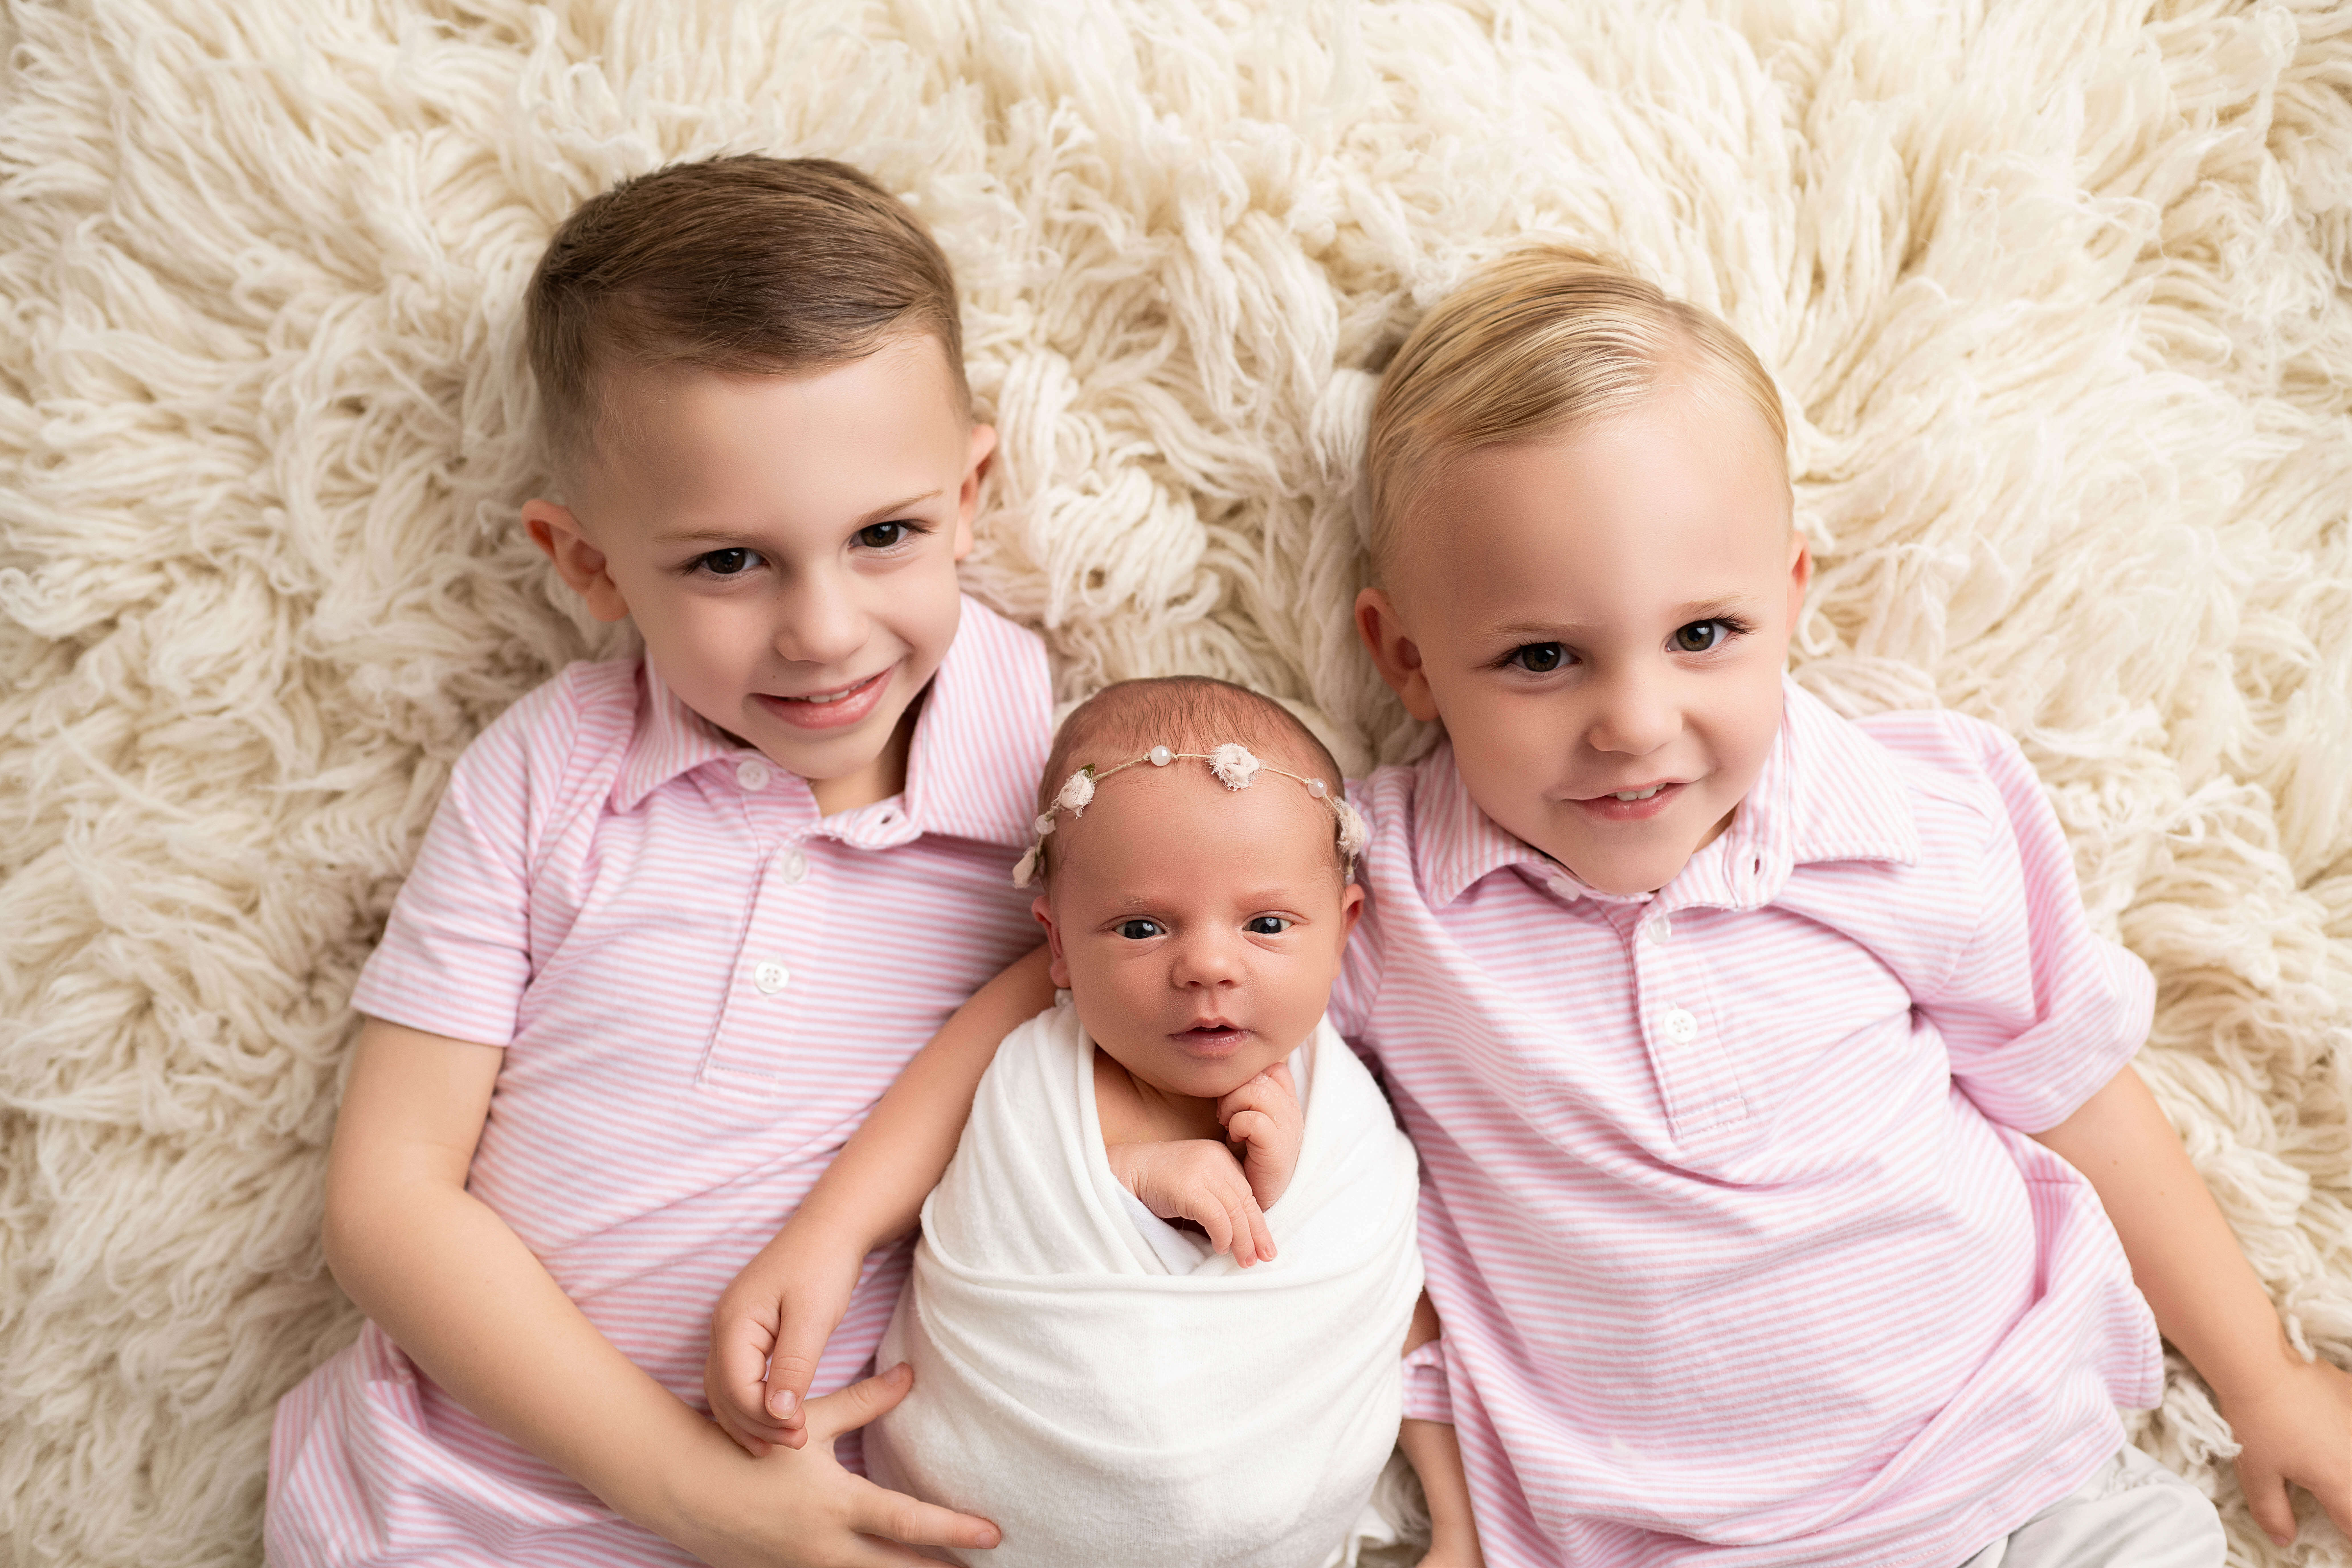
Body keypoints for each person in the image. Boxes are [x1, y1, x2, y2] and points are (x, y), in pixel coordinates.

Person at [720, 245, 2352, 1565]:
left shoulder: (1907, 818)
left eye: (1703, 636)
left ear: (1793, 596)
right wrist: (874, 1217)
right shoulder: (1374, 890)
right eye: (1543, 658)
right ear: (1407, 659)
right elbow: (1094, 983)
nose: (1635, 723)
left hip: (2014, 1468)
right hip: (1654, 1533)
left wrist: (2264, 1375)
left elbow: (2080, 1094)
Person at [266, 153, 1063, 1568]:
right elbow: (388, 1201)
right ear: (588, 565)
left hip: (844, 1510)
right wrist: (689, 1491)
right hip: (458, 1500)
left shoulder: (1054, 779)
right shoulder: (549, 773)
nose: (824, 630)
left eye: (886, 535)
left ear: (970, 492)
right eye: (728, 563)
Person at [730, 676, 1480, 1567]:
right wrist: (1124, 1175)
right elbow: (999, 1182)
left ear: (1344, 930)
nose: (1208, 965)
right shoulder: (1039, 1069)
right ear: (1056, 943)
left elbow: (1389, 1303)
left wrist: (1456, 1524)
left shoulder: (1344, 1115)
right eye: (1140, 929)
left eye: (1268, 923)